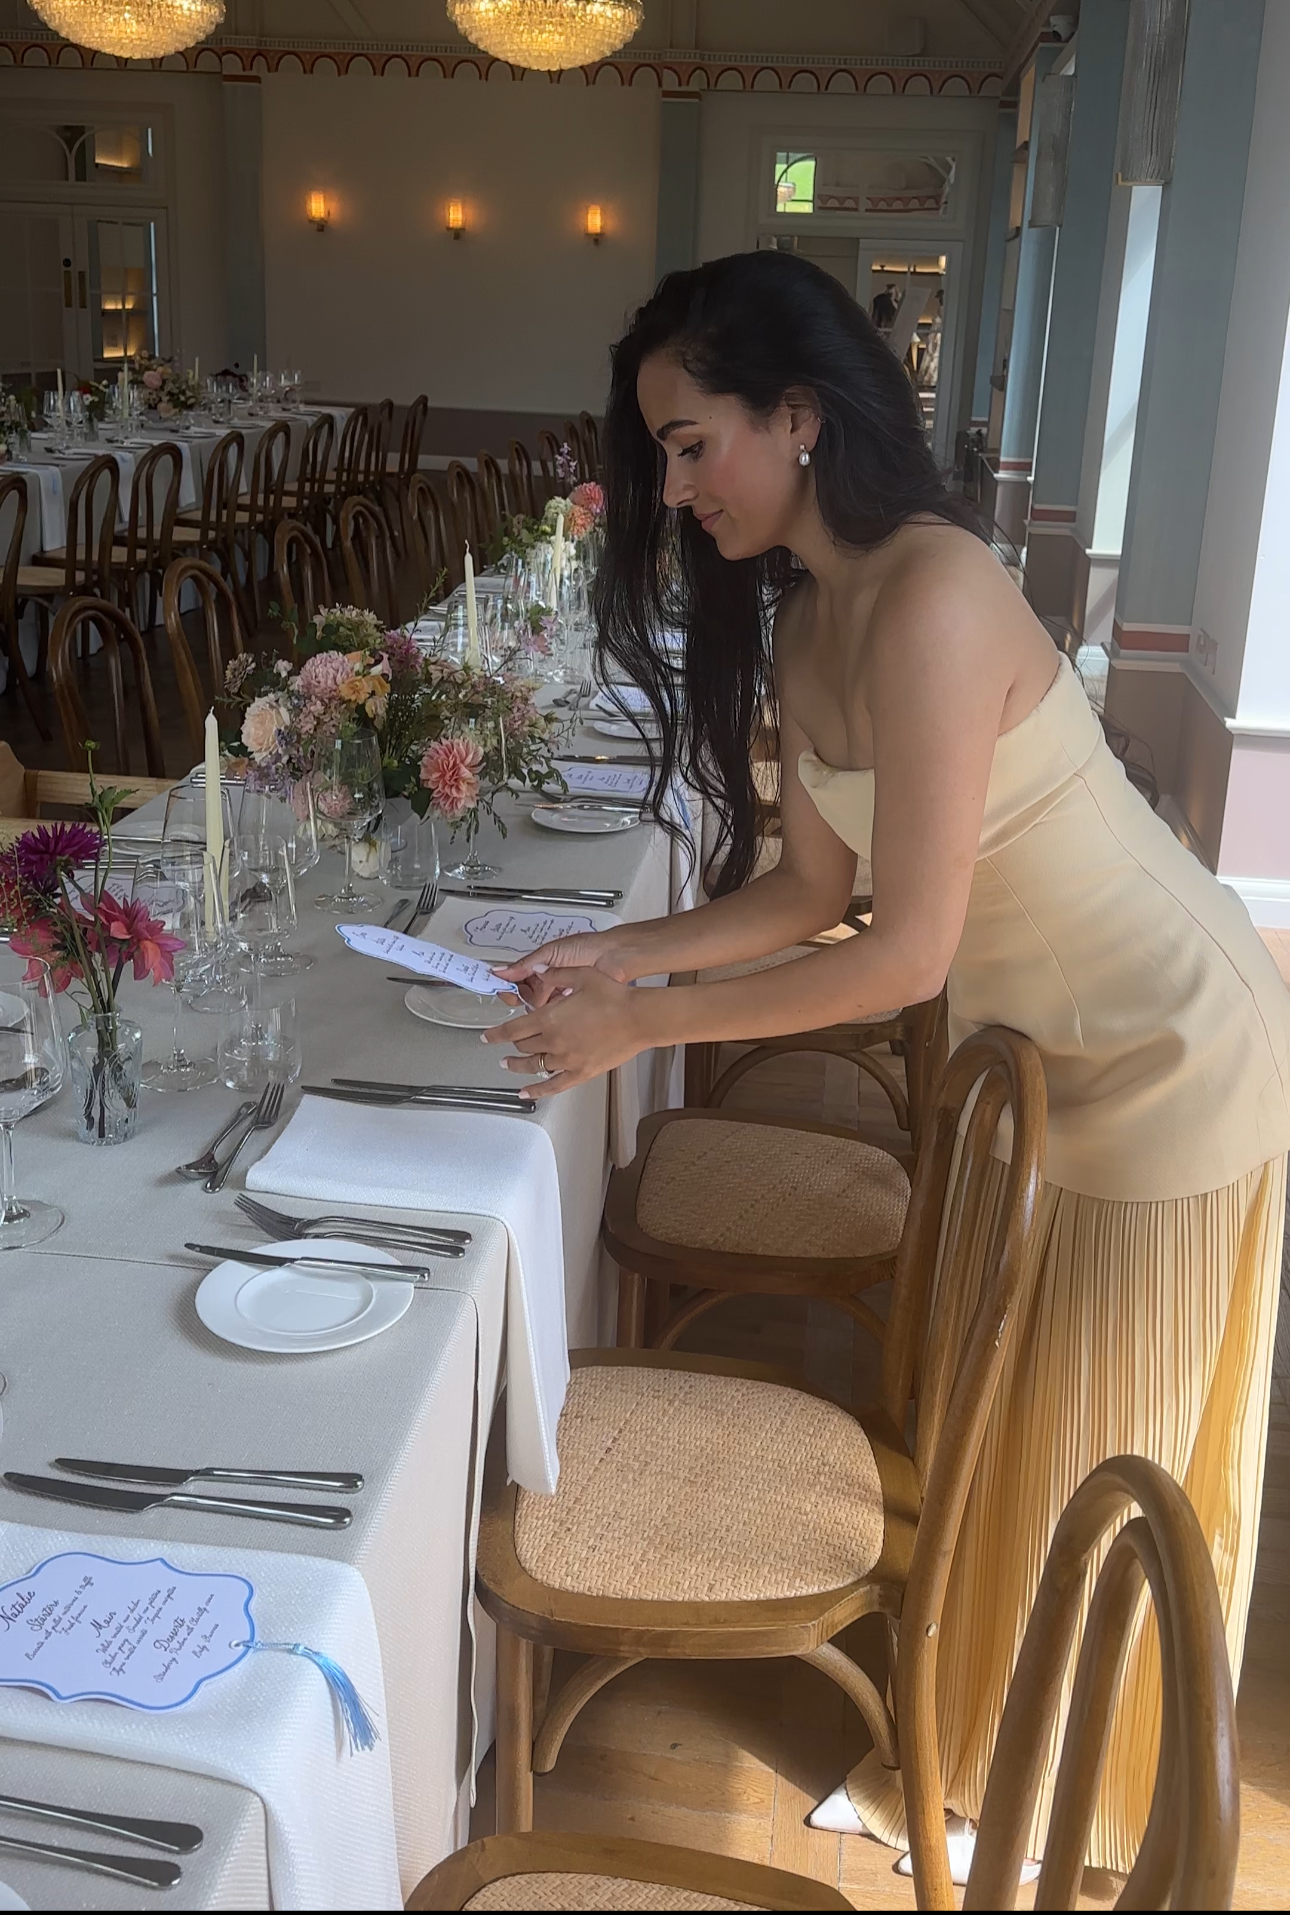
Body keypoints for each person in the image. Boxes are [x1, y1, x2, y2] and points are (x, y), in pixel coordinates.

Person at [485, 249, 1290, 1876]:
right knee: (1018, 1434)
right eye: (656, 449)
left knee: (1094, 1436)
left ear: (796, 416)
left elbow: (901, 954)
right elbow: (802, 894)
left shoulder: (928, 592)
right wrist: (620, 956)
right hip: (1051, 1053)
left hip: (1168, 1042)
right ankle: (979, 1739)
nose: (671, 481)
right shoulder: (812, 622)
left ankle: (1059, 1796)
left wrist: (638, 1021)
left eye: (691, 438)